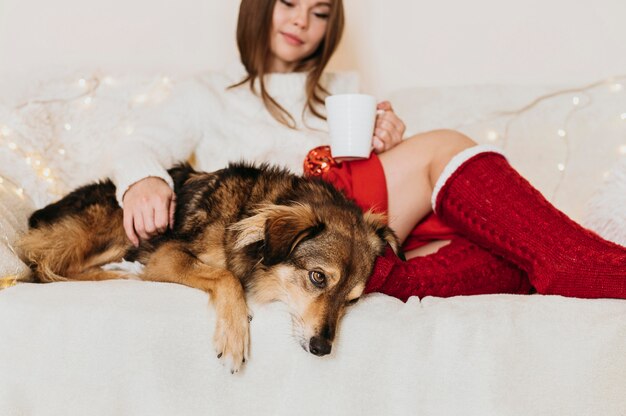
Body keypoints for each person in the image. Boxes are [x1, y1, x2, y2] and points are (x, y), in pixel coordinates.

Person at [109, 0, 626, 301]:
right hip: (288, 214)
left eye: (319, 12)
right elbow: (138, 143)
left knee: (493, 242)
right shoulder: (207, 93)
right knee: (445, 146)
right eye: (289, 3)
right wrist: (144, 179)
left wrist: (389, 139)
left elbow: (367, 170)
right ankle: (576, 258)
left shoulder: (342, 88)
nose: (301, 22)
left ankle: (391, 276)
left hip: (348, 213)